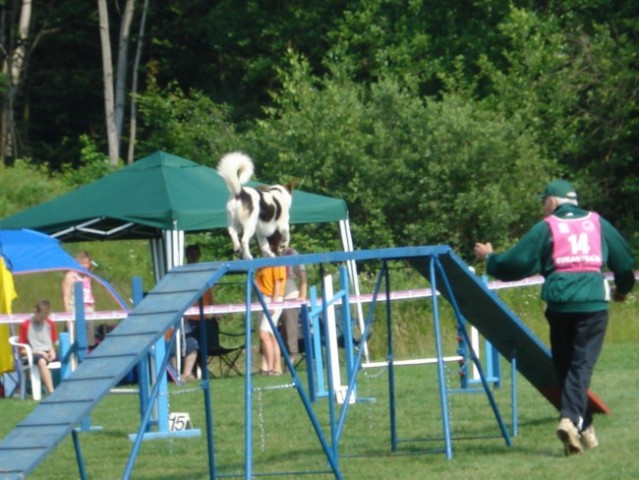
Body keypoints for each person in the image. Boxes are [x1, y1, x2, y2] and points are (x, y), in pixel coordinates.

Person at [474, 179, 635, 455]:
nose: (542, 208)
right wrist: (622, 289)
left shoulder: (547, 227)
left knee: (564, 365)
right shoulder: (598, 223)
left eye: (543, 201)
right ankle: (572, 420)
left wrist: (490, 258)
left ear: (553, 201)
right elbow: (624, 261)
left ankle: (582, 426)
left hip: (560, 304)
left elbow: (515, 264)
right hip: (593, 303)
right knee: (581, 365)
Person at [255, 234, 287, 375]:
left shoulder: (276, 261)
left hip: (274, 299)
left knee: (264, 333)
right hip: (262, 299)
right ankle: (275, 367)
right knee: (271, 334)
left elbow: (278, 284)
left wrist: (273, 304)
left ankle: (271, 367)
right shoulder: (262, 261)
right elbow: (258, 280)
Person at [18, 300, 59, 396]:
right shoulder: (25, 325)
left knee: (68, 356)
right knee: (42, 361)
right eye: (41, 317)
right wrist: (38, 351)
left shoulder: (50, 324)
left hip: (47, 351)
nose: (42, 320)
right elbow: (21, 350)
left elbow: (51, 342)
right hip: (32, 353)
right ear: (35, 312)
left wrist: (52, 351)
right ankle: (51, 392)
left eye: (45, 318)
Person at [279, 245, 307, 367]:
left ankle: (290, 359)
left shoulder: (292, 253)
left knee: (290, 330)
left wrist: (303, 295)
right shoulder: (268, 253)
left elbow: (303, 276)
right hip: (272, 295)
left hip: (290, 295)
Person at [61, 250, 96, 347]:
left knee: (89, 340)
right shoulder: (70, 276)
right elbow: (65, 296)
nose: (85, 266)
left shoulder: (89, 276)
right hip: (75, 309)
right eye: (82, 263)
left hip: (89, 310)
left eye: (87, 263)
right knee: (75, 339)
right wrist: (67, 315)